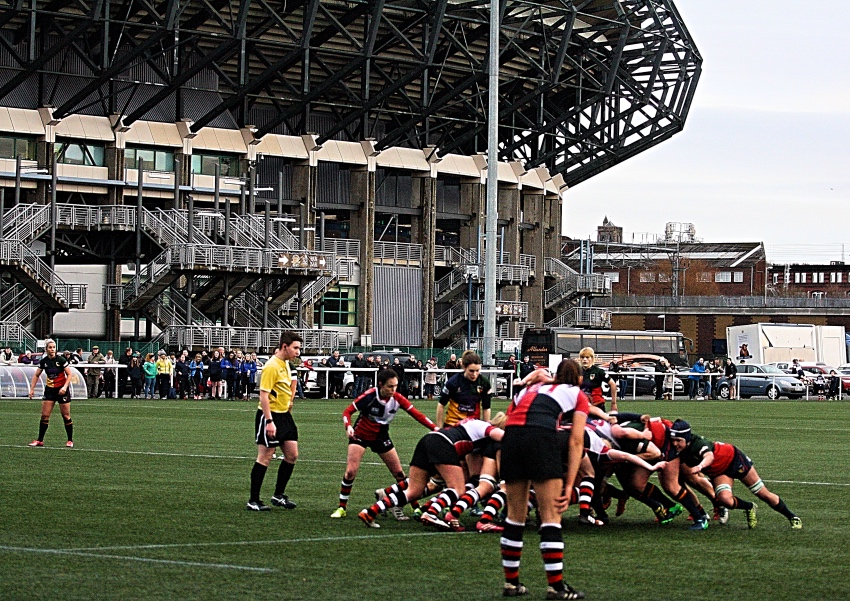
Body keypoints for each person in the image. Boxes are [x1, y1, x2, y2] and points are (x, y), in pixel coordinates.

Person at [498, 358, 588, 600]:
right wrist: (570, 484)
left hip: (511, 439)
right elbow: (576, 441)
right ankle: (556, 587)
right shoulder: (578, 394)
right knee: (550, 516)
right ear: (579, 379)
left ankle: (511, 583)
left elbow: (510, 414)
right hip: (539, 439)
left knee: (515, 516)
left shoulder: (531, 389)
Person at [358, 415, 505, 529]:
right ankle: (431, 513)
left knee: (413, 491)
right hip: (442, 444)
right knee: (457, 489)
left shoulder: (472, 431)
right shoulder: (486, 428)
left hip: (428, 440)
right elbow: (503, 437)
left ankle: (370, 512)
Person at [330, 369, 438, 519]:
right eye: (390, 386)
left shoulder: (398, 399)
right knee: (350, 472)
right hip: (360, 435)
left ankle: (415, 507)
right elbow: (347, 412)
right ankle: (342, 508)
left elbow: (417, 415)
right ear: (380, 384)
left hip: (381, 436)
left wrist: (436, 429)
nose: (393, 390)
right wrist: (348, 426)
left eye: (395, 386)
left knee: (399, 473)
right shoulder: (370, 396)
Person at [670, 419, 802, 529]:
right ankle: (749, 507)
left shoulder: (697, 443)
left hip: (735, 460)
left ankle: (792, 517)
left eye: (678, 440)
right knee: (725, 500)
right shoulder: (678, 450)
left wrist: (700, 466)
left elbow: (709, 456)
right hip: (720, 472)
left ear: (686, 438)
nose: (675, 443)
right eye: (673, 440)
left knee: (762, 493)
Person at [247, 331, 303, 511]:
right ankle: (253, 500)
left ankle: (278, 495)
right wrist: (269, 421)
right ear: (284, 346)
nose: (298, 352)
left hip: (284, 415)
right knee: (265, 456)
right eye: (295, 348)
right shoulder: (271, 366)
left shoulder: (286, 364)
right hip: (269, 415)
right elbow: (263, 395)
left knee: (292, 455)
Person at [27, 339, 76, 448]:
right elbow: (36, 375)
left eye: (54, 347)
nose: (52, 349)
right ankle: (40, 440)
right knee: (44, 416)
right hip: (50, 390)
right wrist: (32, 389)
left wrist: (64, 387)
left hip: (62, 390)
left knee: (66, 416)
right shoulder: (44, 361)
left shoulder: (61, 360)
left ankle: (70, 440)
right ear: (46, 349)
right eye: (50, 347)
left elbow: (69, 374)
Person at [436, 350, 492, 427]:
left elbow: (486, 408)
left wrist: (486, 429)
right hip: (453, 425)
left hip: (473, 427)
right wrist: (439, 427)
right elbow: (441, 405)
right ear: (464, 367)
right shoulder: (453, 382)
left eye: (477, 370)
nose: (474, 374)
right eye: (471, 371)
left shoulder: (484, 383)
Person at [578, 347, 618, 413]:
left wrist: (613, 403)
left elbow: (612, 384)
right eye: (582, 357)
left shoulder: (598, 371)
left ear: (592, 358)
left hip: (597, 405)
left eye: (587, 357)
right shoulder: (577, 371)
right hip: (582, 405)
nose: (584, 359)